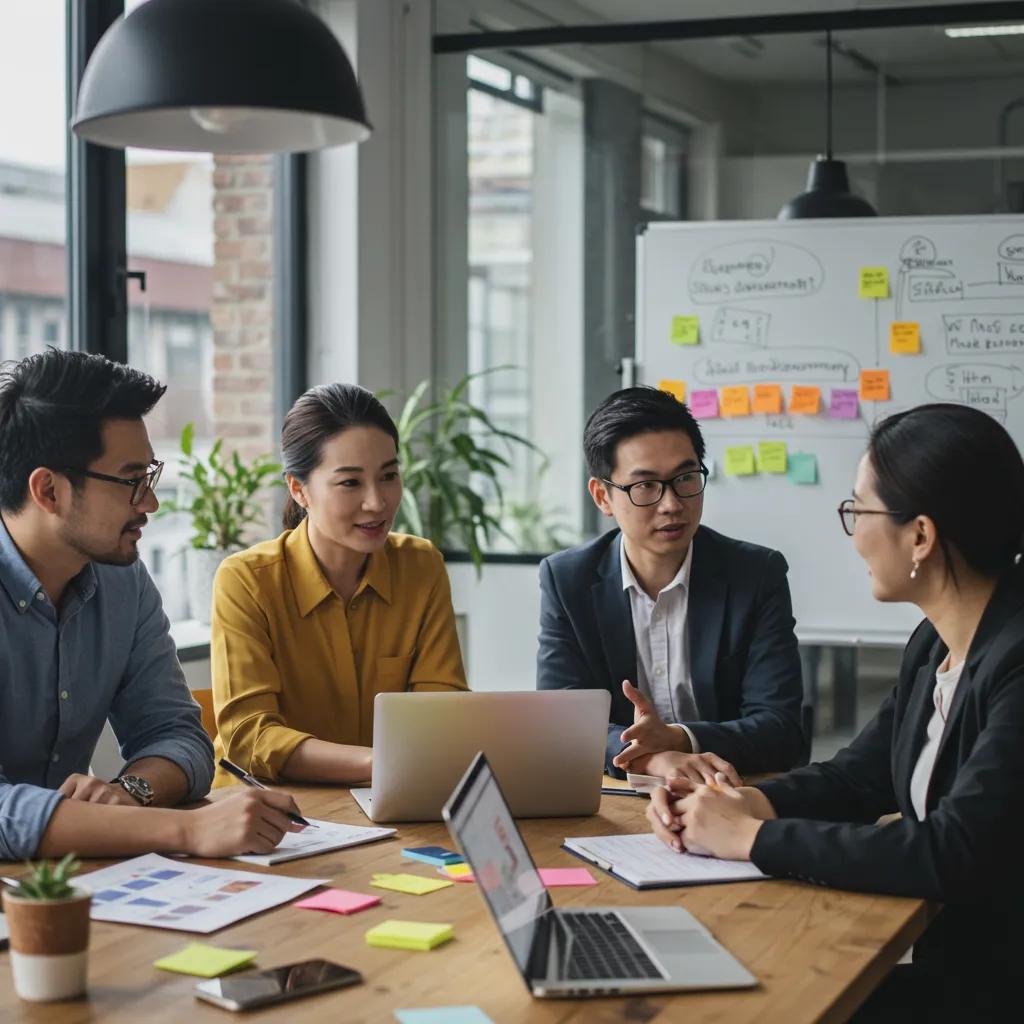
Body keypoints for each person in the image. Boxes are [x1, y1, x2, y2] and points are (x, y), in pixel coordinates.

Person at [645, 403, 1024, 1020]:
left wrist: (753, 838)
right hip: (958, 975)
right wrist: (741, 803)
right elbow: (857, 776)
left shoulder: (1016, 660)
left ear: (921, 536)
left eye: (859, 511)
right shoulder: (936, 643)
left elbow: (954, 851)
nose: (853, 535)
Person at [0, 349, 304, 861]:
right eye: (130, 481)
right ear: (48, 490)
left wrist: (129, 794)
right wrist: (184, 831)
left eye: (151, 477)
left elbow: (177, 735)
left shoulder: (123, 582)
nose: (150, 503)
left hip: (64, 882)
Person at [537, 386, 805, 781]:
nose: (672, 504)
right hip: (617, 800)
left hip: (728, 792)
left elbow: (781, 730)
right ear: (603, 497)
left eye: (685, 478)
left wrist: (679, 740)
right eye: (645, 485)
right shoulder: (567, 580)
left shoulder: (755, 574)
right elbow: (559, 724)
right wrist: (653, 759)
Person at [211, 383, 467, 787]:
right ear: (299, 490)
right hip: (266, 810)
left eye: (388, 476)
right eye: (350, 483)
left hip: (386, 802)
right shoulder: (246, 580)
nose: (377, 502)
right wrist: (380, 764)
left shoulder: (421, 567)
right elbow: (249, 736)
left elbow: (441, 711)